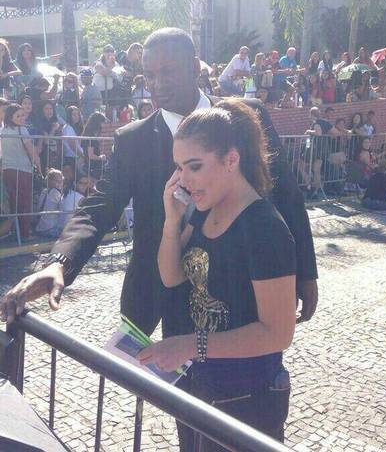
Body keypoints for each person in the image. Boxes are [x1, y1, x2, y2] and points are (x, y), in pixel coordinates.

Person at [0, 27, 317, 348]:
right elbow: (98, 209)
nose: (156, 84)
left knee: (222, 385)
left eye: (167, 72)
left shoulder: (246, 118)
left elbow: (286, 195)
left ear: (194, 67)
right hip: (156, 292)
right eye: (149, 75)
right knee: (161, 386)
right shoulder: (133, 139)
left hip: (238, 284)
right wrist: (60, 263)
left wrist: (305, 271)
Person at [138, 99, 296, 447]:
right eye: (179, 167)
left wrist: (191, 344)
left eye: (194, 166)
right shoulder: (202, 210)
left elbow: (279, 333)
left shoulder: (264, 228)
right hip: (205, 387)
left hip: (248, 397)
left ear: (231, 159)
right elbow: (172, 276)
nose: (183, 179)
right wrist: (171, 220)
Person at [1, 103, 42, 239]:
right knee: (25, 202)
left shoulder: (3, 131)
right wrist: (39, 166)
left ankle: (14, 231)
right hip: (23, 170)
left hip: (7, 170)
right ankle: (24, 233)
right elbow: (32, 151)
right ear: (10, 116)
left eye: (22, 115)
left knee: (13, 202)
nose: (21, 118)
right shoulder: (22, 130)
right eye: (18, 115)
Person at [36, 169, 63, 238]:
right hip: (50, 229)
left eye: (61, 181)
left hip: (40, 228)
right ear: (49, 181)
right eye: (57, 181)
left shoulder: (44, 191)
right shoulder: (56, 192)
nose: (60, 183)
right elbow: (63, 208)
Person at [81, 112, 107, 179]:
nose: (103, 125)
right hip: (92, 167)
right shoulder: (90, 137)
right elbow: (91, 155)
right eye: (102, 122)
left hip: (90, 165)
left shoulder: (87, 134)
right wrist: (101, 157)